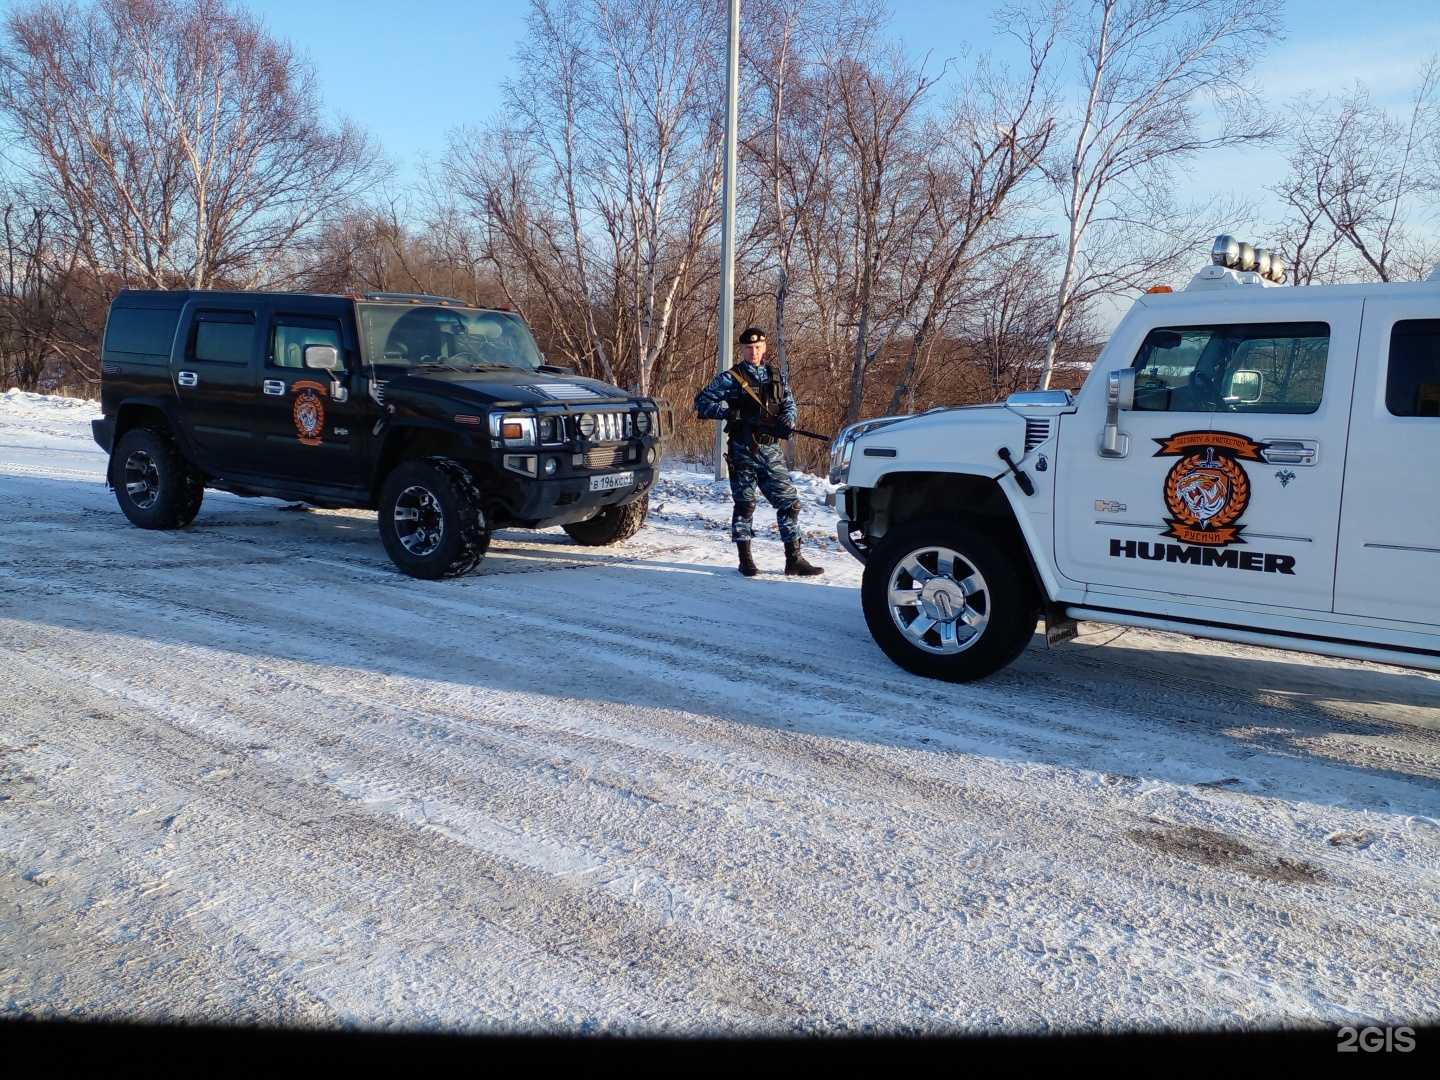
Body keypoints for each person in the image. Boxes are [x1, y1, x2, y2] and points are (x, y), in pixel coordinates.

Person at [694, 326, 824, 577]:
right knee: (745, 505)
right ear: (742, 349)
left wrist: (787, 420)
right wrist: (731, 413)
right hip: (742, 449)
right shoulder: (731, 378)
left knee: (790, 503)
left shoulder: (776, 375)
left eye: (757, 347)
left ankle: (794, 559)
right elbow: (701, 402)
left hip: (770, 450)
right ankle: (746, 560)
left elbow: (790, 403)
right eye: (748, 348)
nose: (753, 352)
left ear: (764, 347)